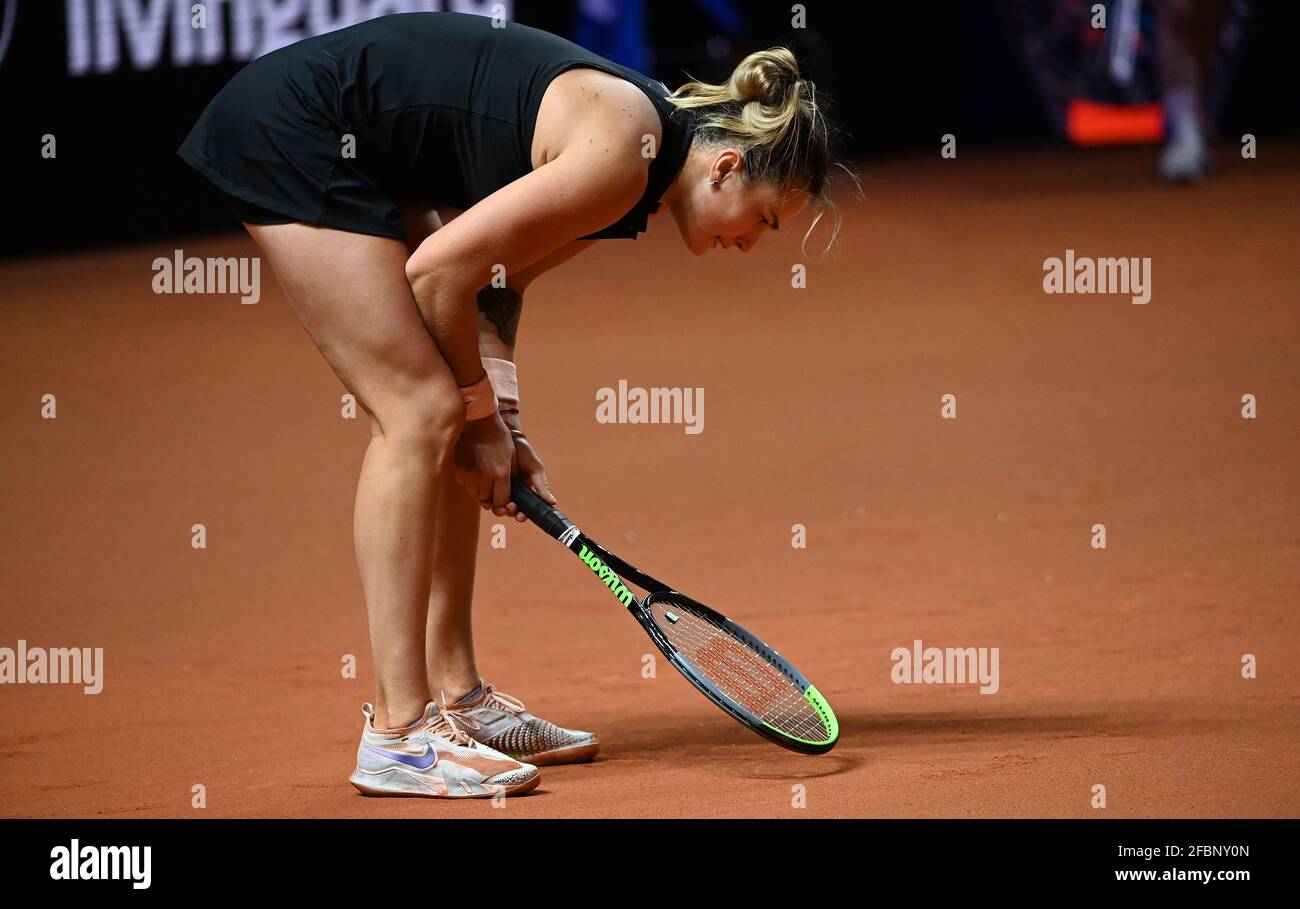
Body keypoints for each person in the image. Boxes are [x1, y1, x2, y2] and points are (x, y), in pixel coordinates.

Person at [178, 10, 839, 798]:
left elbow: (495, 282)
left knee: (451, 414)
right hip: (299, 125)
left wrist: (504, 422)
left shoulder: (641, 165)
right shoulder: (624, 158)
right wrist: (480, 417)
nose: (753, 243)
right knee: (421, 411)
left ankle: (458, 695)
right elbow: (438, 275)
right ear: (727, 166)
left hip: (377, 154)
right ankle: (397, 734)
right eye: (764, 219)